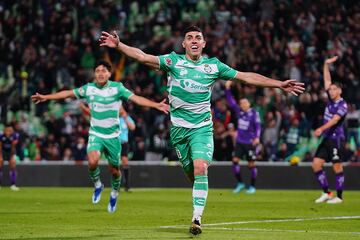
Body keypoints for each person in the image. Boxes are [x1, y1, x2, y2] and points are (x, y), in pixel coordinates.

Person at [99, 26, 304, 235]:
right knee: (192, 174)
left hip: (202, 129)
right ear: (184, 44)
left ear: (204, 44)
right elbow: (143, 57)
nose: (194, 40)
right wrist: (119, 45)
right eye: (189, 38)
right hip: (179, 131)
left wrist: (278, 84)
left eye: (198, 37)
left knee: (200, 168)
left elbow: (245, 77)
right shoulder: (173, 61)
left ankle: (196, 218)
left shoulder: (213, 66)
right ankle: (199, 192)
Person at [31, 60, 169, 213]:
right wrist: (46, 97)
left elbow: (136, 99)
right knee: (92, 161)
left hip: (113, 137)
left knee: (115, 170)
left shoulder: (117, 88)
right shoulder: (88, 89)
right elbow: (68, 93)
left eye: (104, 71)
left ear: (109, 74)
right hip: (96, 133)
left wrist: (156, 104)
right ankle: (98, 184)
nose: (100, 74)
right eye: (97, 71)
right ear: (94, 74)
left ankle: (115, 192)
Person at [312, 56, 347, 204]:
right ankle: (327, 192)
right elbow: (327, 80)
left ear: (339, 91)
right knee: (316, 164)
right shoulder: (331, 100)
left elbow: (335, 120)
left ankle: (339, 197)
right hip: (327, 138)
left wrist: (321, 128)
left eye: (334, 89)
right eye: (330, 89)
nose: (331, 91)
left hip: (336, 139)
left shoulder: (342, 105)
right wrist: (325, 65)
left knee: (337, 166)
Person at [225, 81, 261, 194]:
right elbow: (230, 102)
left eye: (245, 103)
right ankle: (240, 183)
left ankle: (252, 187)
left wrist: (257, 137)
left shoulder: (254, 113)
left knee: (251, 165)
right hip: (240, 141)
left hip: (250, 142)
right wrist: (227, 88)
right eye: (241, 103)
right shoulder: (239, 112)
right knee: (235, 161)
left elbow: (258, 126)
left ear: (249, 104)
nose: (243, 105)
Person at [118, 107, 135, 192]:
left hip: (124, 143)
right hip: (114, 142)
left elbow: (132, 127)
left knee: (125, 162)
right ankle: (116, 184)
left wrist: (125, 118)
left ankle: (127, 185)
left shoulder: (126, 118)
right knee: (115, 163)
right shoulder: (114, 118)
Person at [0, 124, 20, 191]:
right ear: (5, 130)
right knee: (0, 163)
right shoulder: (1, 136)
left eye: (11, 130)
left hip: (10, 152)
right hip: (3, 151)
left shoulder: (15, 136)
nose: (9, 131)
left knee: (13, 165)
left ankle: (13, 185)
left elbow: (13, 147)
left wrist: (12, 156)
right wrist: (0, 156)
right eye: (8, 130)